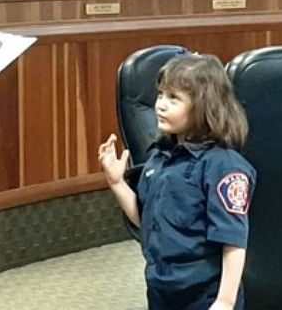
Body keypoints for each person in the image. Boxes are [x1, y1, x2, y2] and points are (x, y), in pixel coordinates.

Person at [98, 54, 256, 310]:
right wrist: (117, 183)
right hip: (163, 288)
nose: (160, 105)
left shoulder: (224, 166)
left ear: (204, 106)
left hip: (205, 294)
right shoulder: (159, 158)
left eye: (174, 98)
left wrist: (225, 302)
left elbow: (234, 239)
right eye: (160, 95)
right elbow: (146, 220)